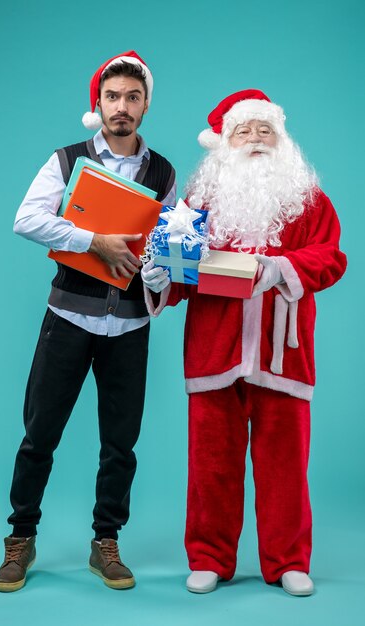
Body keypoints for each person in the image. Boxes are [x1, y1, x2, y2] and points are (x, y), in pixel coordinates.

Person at [142, 89, 346, 596]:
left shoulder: (309, 199)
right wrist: (160, 276)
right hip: (216, 347)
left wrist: (281, 267)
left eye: (265, 130)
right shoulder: (199, 204)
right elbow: (182, 273)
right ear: (223, 144)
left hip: (285, 352)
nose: (255, 140)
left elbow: (331, 257)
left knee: (285, 465)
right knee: (211, 463)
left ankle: (288, 561)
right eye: (243, 131)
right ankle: (210, 557)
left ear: (283, 140)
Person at [0, 50, 176, 593]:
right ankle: (20, 539)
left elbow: (164, 253)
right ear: (97, 104)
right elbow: (26, 220)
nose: (122, 107)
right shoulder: (67, 160)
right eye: (113, 97)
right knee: (39, 435)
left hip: (129, 327)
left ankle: (106, 542)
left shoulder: (163, 172)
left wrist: (161, 269)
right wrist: (93, 241)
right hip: (67, 317)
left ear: (145, 105)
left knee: (121, 443)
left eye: (133, 98)